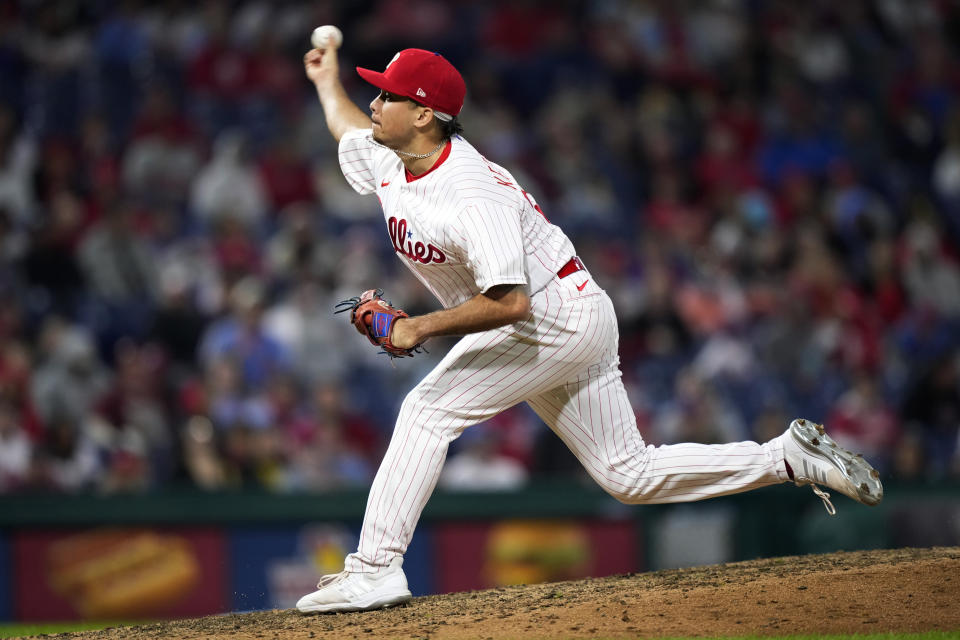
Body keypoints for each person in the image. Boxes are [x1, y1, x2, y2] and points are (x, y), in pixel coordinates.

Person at [296, 41, 883, 614]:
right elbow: (350, 131)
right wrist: (328, 82)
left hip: (552, 317)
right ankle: (790, 458)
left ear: (424, 114)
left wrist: (417, 328)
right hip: (570, 312)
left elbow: (510, 303)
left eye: (387, 95)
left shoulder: (470, 194)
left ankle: (374, 570)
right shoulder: (396, 156)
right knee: (627, 473)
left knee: (427, 411)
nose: (374, 103)